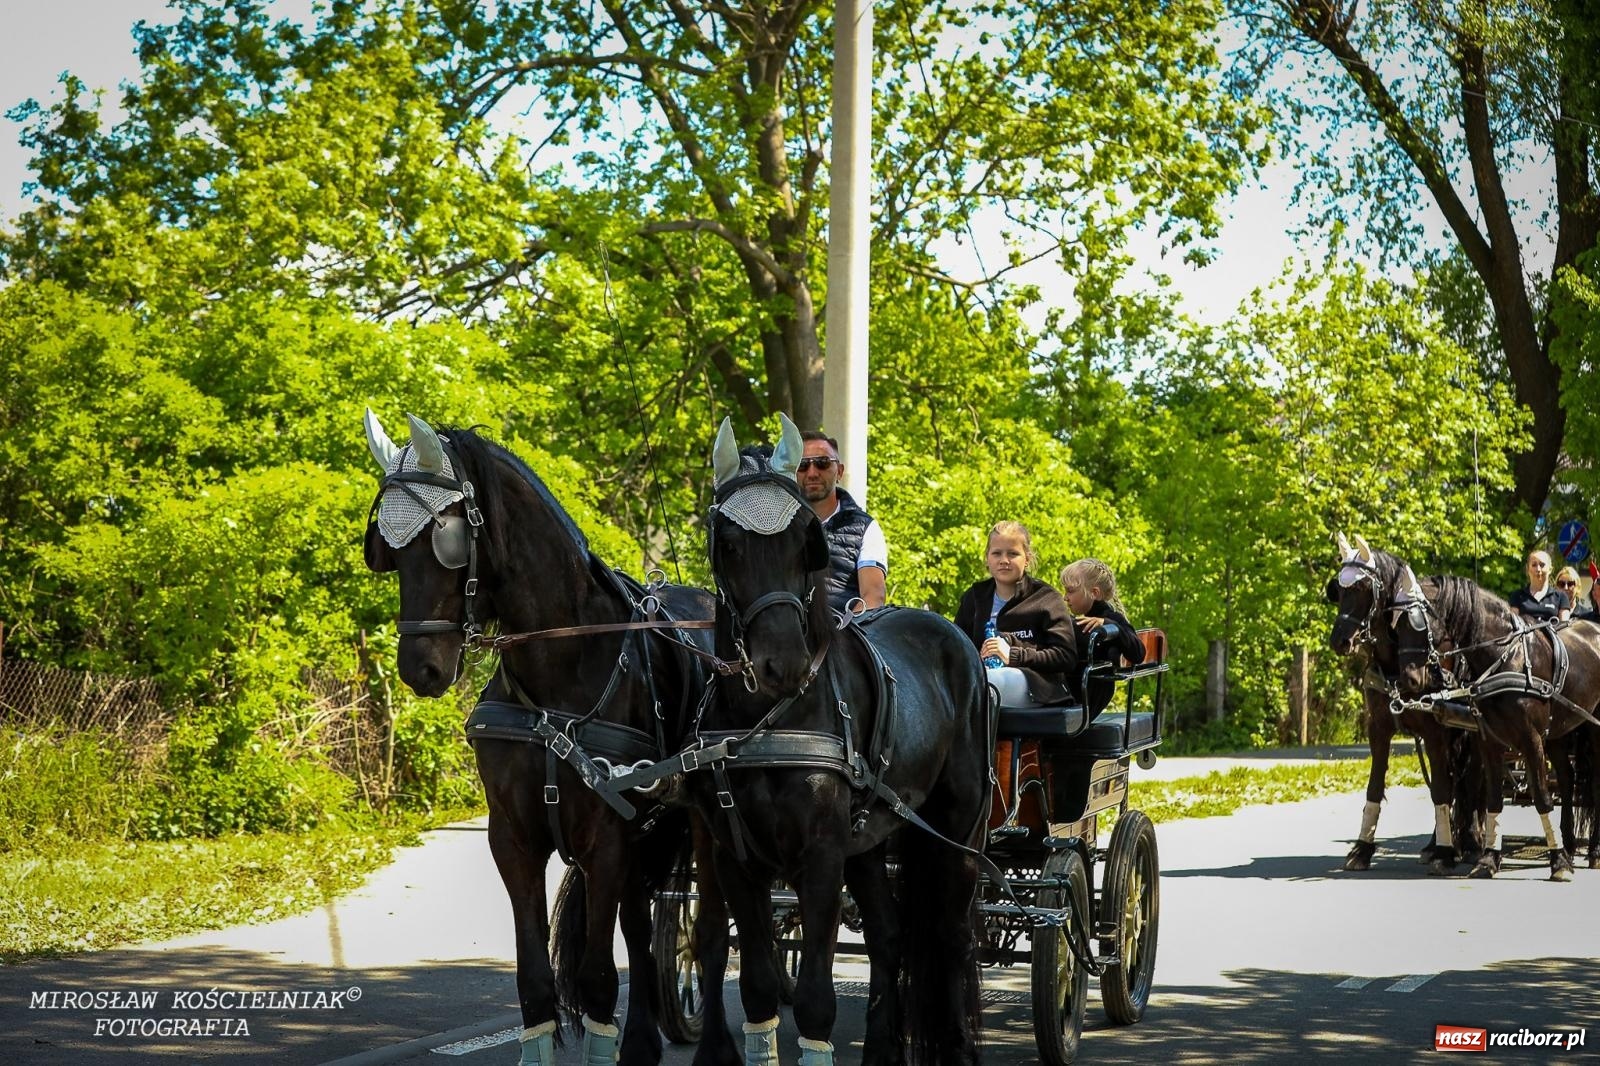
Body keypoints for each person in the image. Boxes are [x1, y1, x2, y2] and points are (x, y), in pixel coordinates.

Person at [953, 521, 1077, 704]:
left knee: (989, 684)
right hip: (981, 678)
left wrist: (1012, 655)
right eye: (997, 553)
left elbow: (1065, 656)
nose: (1004, 560)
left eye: (1013, 553)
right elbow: (957, 646)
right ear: (987, 558)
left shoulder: (1046, 598)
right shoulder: (974, 597)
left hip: (1036, 687)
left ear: (1026, 559)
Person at [798, 430, 887, 612]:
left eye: (822, 463)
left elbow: (872, 597)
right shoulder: (777, 527)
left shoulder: (866, 528)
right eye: (802, 465)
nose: (812, 473)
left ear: (839, 471)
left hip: (844, 633)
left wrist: (839, 637)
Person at [1060, 557, 1145, 717]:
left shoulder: (1112, 618)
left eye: (1070, 591)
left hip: (1090, 695)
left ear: (1094, 593)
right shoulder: (1080, 621)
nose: (1065, 598)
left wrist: (1109, 625)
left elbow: (1138, 653)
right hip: (1075, 690)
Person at [1509, 549, 1570, 623]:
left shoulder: (1561, 597)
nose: (1538, 569)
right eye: (1534, 565)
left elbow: (1564, 628)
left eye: (1542, 565)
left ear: (1550, 569)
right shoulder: (1517, 596)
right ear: (1528, 569)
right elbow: (1513, 625)